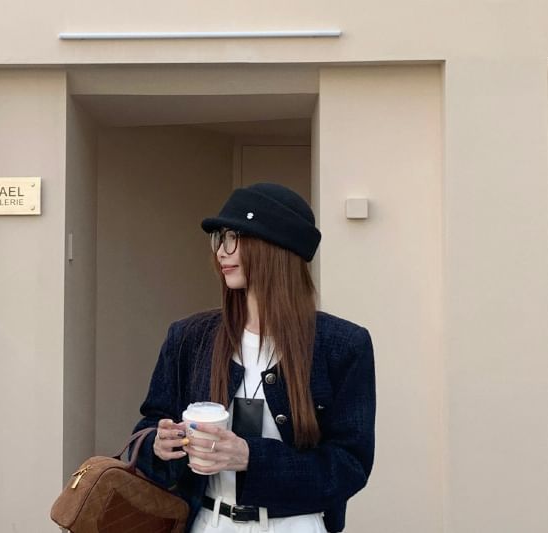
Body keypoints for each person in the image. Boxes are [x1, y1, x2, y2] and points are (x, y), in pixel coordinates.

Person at [131, 182, 376, 533]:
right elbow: (150, 425)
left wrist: (251, 457)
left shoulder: (342, 345)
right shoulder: (189, 337)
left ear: (274, 247)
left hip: (295, 526)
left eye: (234, 237)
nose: (221, 252)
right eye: (220, 239)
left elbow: (349, 465)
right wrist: (159, 444)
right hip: (208, 523)